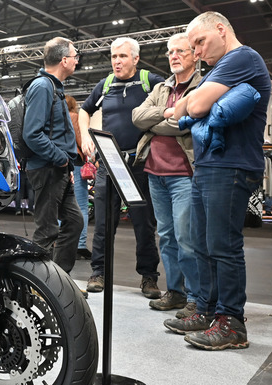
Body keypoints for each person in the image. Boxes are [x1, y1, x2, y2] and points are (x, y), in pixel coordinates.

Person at [165, 11, 271, 350]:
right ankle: (209, 310)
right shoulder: (221, 68)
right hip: (211, 165)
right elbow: (182, 109)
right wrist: (187, 106)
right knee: (203, 243)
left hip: (231, 165)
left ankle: (231, 322)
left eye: (200, 42)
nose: (196, 52)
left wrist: (189, 106)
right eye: (192, 45)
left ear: (222, 30)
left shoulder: (242, 58)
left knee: (223, 245)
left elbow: (191, 107)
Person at [79, 37, 165, 297]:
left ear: (135, 59)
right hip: (109, 163)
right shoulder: (105, 85)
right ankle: (99, 273)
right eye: (114, 57)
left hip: (140, 163)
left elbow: (170, 104)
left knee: (144, 223)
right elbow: (84, 110)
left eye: (122, 56)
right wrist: (84, 136)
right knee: (105, 222)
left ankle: (149, 277)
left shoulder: (151, 81)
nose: (117, 61)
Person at [132, 32, 202, 317]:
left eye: (180, 51)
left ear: (194, 55)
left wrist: (156, 121)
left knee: (187, 239)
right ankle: (175, 292)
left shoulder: (201, 86)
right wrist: (168, 112)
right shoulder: (162, 86)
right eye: (170, 52)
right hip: (155, 173)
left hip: (184, 175)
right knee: (167, 237)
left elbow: (185, 125)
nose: (173, 56)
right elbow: (137, 117)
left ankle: (196, 298)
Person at [21, 37, 83, 275]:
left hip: (58, 169)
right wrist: (61, 158)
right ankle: (36, 286)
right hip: (47, 168)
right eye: (75, 56)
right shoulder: (42, 86)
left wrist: (66, 166)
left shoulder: (54, 87)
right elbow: (32, 134)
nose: (77, 60)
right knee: (46, 231)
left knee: (75, 222)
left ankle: (58, 279)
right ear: (64, 59)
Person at [67, 95, 92, 259]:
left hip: (62, 163)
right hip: (76, 162)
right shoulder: (74, 116)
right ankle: (80, 245)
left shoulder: (56, 117)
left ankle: (62, 242)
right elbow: (80, 138)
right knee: (82, 205)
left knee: (64, 206)